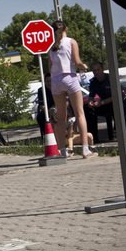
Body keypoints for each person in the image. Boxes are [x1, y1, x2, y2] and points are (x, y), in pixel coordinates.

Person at [47, 20, 96, 158]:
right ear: (66, 28)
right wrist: (84, 66)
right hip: (69, 78)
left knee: (61, 118)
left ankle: (62, 151)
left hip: (56, 81)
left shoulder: (51, 47)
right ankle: (85, 149)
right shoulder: (71, 42)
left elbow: (49, 67)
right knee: (80, 113)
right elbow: (77, 61)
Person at [86, 62, 126, 142]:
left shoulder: (110, 78)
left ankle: (123, 136)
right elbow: (91, 96)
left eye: (98, 70)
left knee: (119, 108)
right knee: (88, 110)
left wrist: (102, 102)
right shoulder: (93, 82)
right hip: (103, 105)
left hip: (115, 103)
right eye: (94, 71)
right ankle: (93, 138)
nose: (96, 72)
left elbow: (117, 95)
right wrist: (90, 102)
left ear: (102, 69)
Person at [35, 73, 55, 139]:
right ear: (44, 82)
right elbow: (41, 105)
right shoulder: (41, 90)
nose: (49, 83)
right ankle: (46, 136)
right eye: (47, 81)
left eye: (51, 81)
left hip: (59, 108)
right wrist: (48, 112)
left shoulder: (58, 88)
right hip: (47, 110)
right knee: (40, 117)